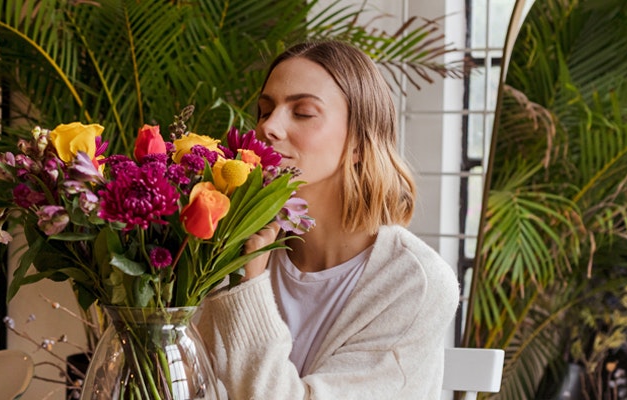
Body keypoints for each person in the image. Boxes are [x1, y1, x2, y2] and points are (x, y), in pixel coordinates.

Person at [196, 40, 460, 399]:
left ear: (358, 143)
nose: (268, 127)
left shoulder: (415, 282)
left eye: (303, 112)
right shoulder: (226, 244)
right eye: (264, 110)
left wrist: (247, 284)